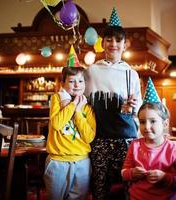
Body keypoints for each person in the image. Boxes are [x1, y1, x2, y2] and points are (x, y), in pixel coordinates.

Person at [85, 25, 142, 199]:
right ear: (102, 44)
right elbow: (84, 103)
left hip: (126, 137)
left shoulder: (132, 73)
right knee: (99, 186)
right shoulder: (91, 71)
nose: (113, 44)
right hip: (99, 137)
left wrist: (134, 105)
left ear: (125, 45)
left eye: (118, 40)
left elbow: (139, 107)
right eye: (109, 40)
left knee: (128, 186)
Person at [44, 66, 96, 200]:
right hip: (57, 160)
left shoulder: (88, 107)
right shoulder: (56, 99)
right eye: (72, 81)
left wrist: (78, 111)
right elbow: (56, 124)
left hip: (82, 161)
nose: (77, 84)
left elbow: (89, 137)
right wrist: (73, 106)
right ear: (63, 84)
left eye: (81, 81)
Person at [121, 102, 176, 200]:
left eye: (152, 121)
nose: (147, 127)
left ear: (165, 124)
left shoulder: (173, 149)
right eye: (142, 122)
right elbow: (124, 174)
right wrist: (132, 173)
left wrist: (164, 177)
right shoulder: (134, 145)